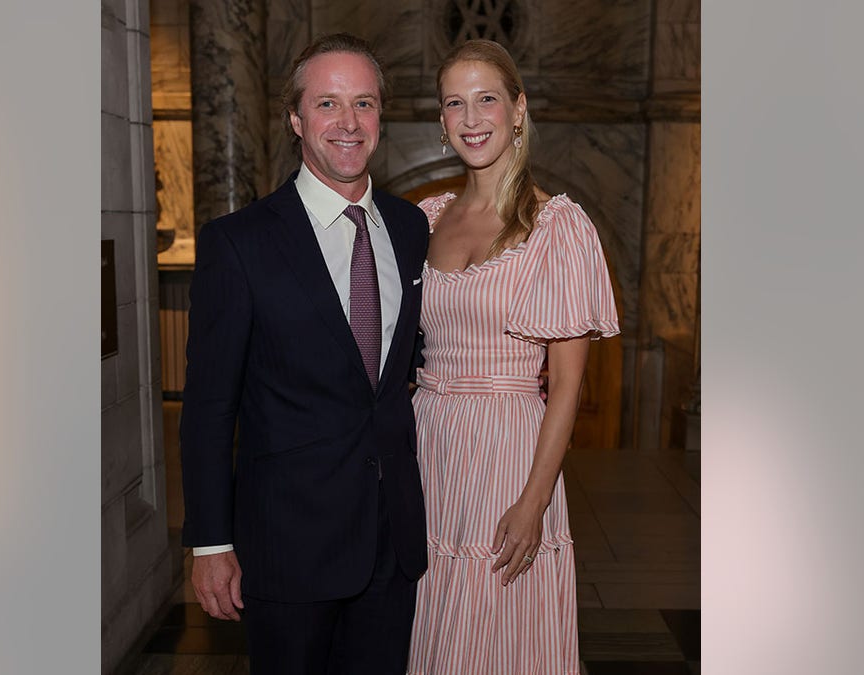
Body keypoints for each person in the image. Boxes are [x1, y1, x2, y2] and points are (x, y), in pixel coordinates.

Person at [179, 33, 430, 675]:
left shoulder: (408, 229)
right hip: (287, 546)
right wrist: (210, 542)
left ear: (382, 117)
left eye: (364, 104)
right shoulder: (239, 244)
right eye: (327, 104)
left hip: (391, 541)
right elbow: (209, 409)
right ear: (296, 119)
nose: (348, 123)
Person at [406, 40, 620, 674]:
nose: (472, 119)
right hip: (429, 447)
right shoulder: (423, 220)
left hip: (509, 452)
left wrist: (534, 501)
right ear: (441, 122)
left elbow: (567, 389)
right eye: (455, 103)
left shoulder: (557, 226)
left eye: (487, 99)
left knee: (505, 629)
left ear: (518, 109)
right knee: (437, 619)